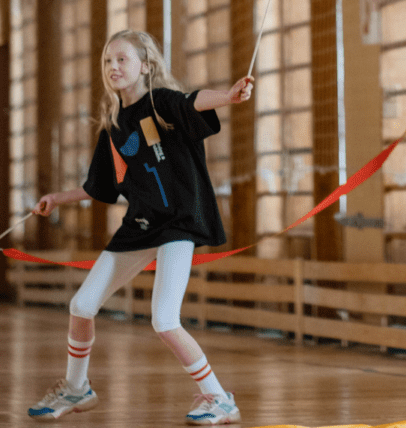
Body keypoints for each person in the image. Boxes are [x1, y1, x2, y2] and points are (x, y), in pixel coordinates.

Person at [27, 29, 253, 425]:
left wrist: (229, 96)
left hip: (179, 222)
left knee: (164, 319)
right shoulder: (113, 126)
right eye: (107, 61)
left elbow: (193, 102)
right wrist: (56, 200)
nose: (113, 66)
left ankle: (219, 398)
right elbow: (99, 186)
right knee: (81, 305)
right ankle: (77, 388)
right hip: (142, 224)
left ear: (145, 67)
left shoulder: (161, 102)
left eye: (122, 59)